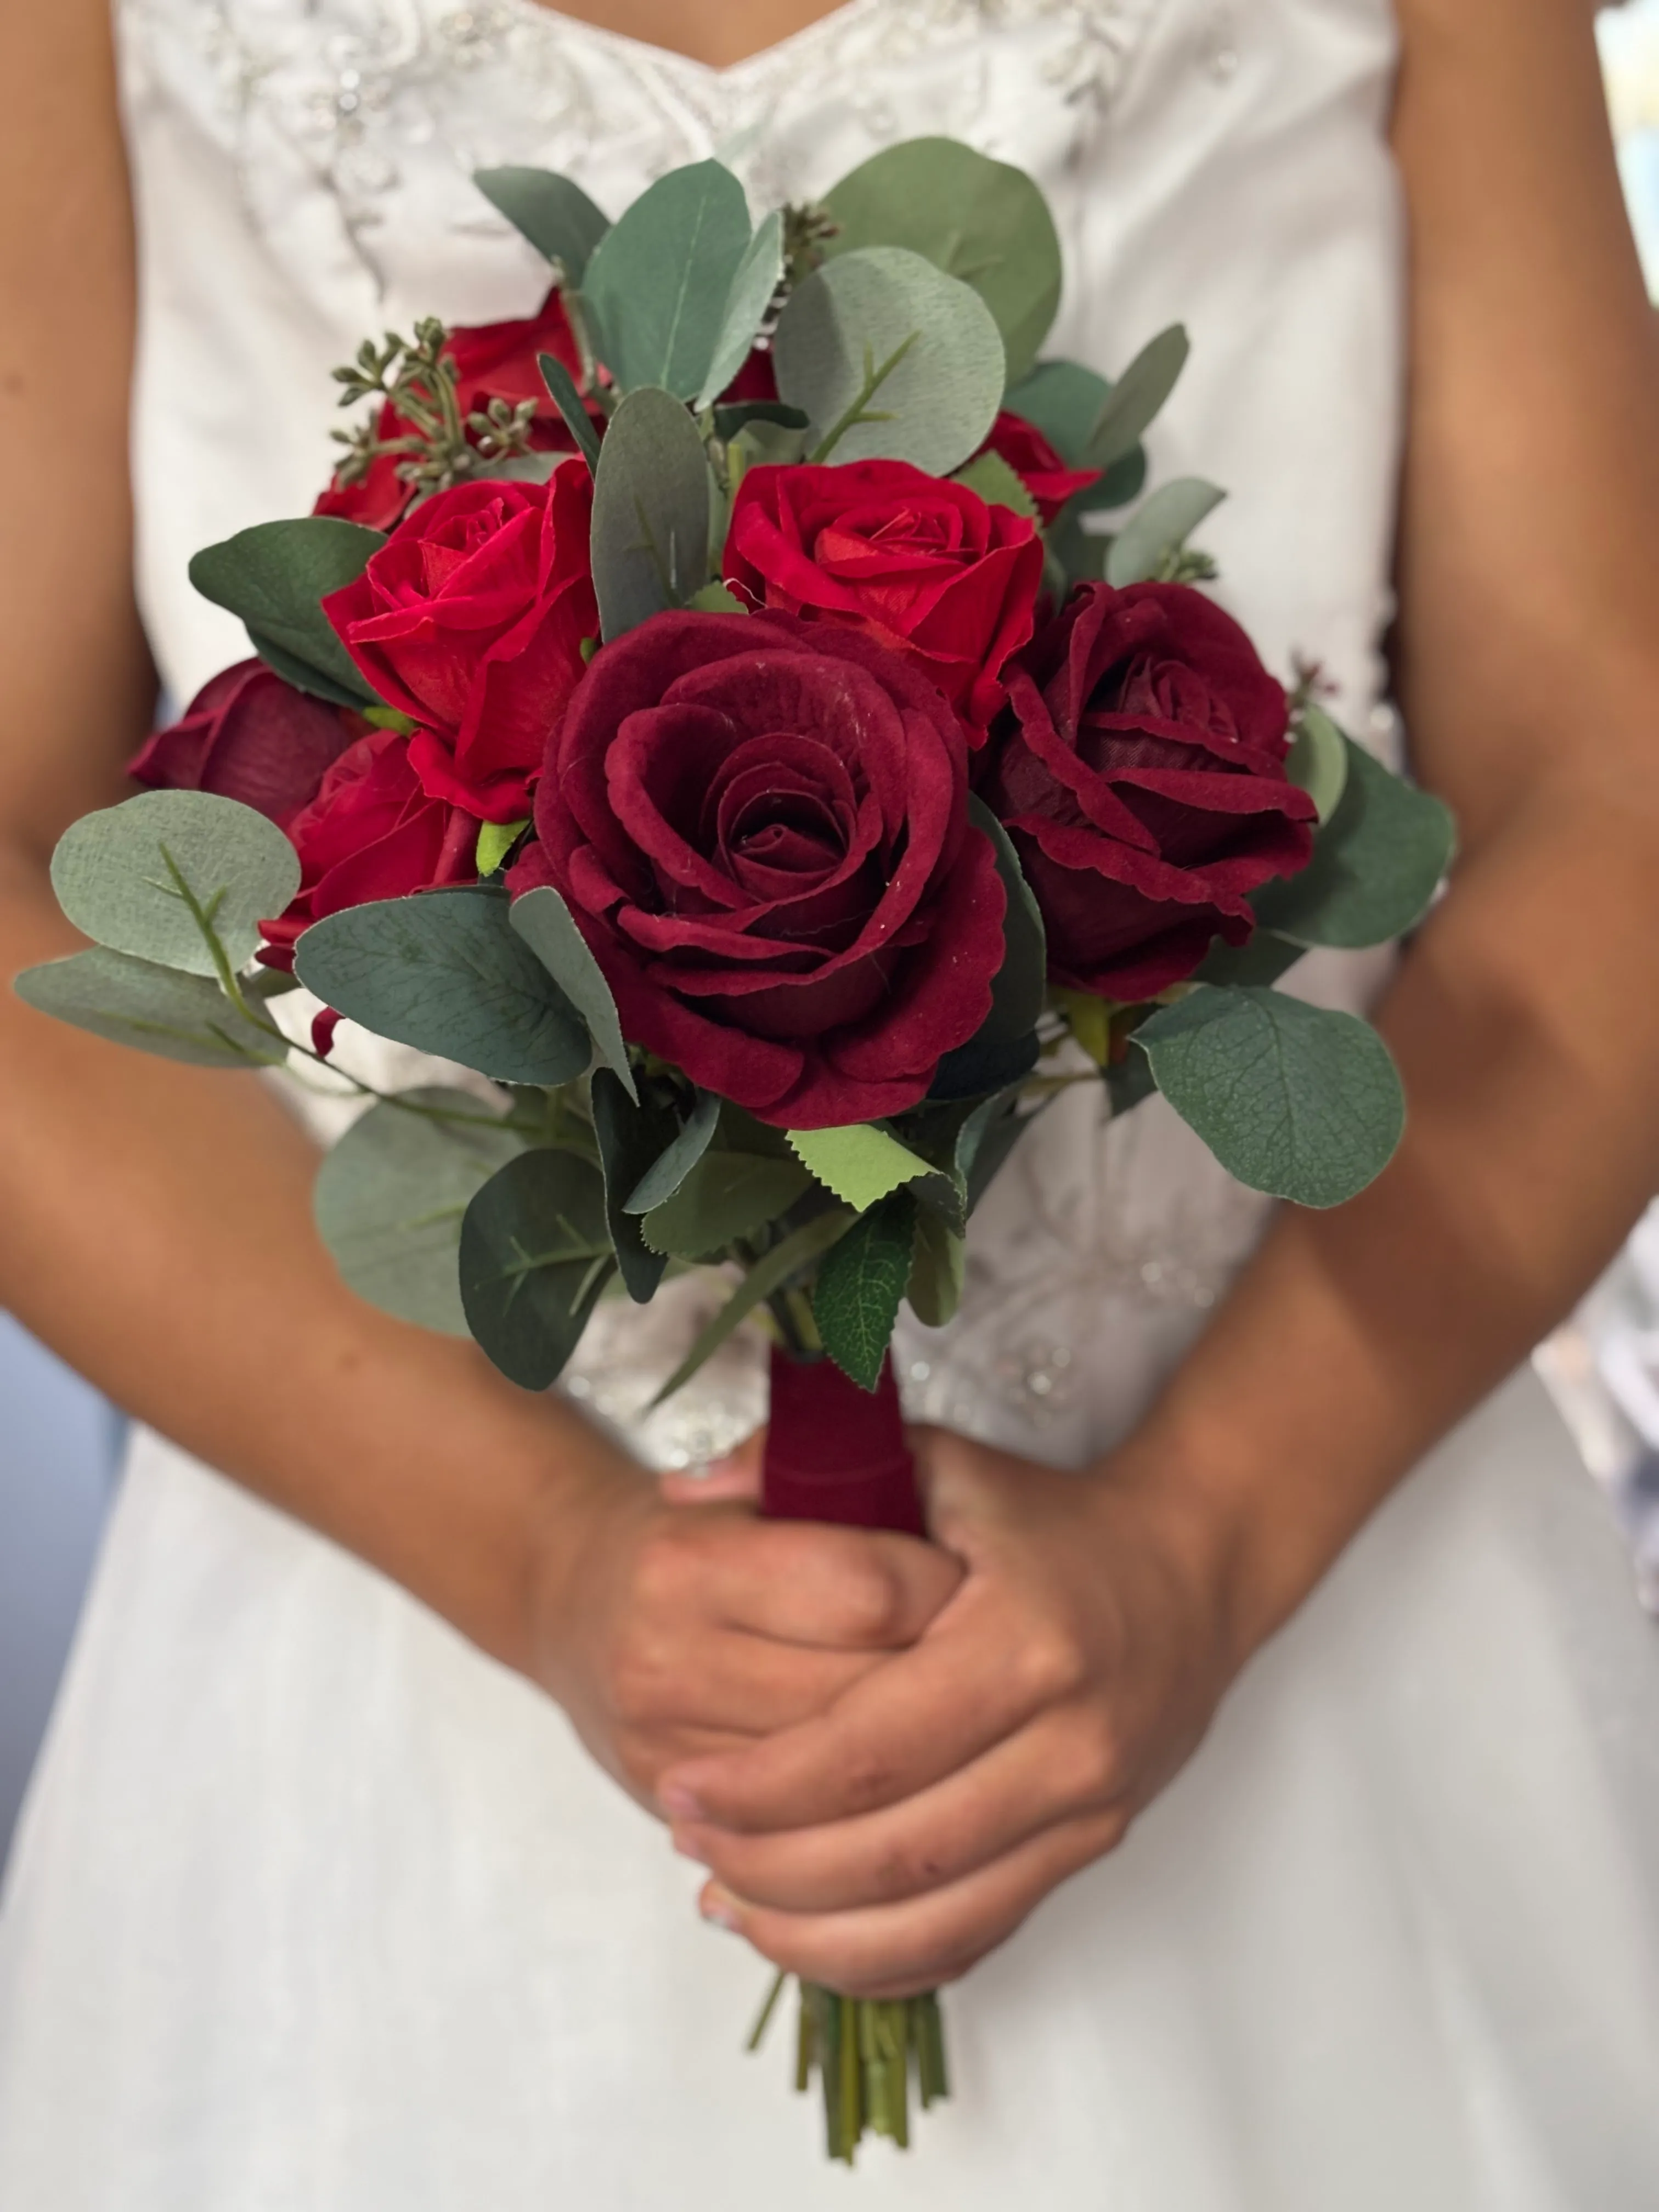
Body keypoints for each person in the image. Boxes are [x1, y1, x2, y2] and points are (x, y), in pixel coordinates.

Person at [2, 0, 1658, 2200]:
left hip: (1321, 1556)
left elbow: (1613, 785)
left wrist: (1210, 1539)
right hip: (394, 1605)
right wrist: (547, 1561)